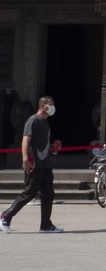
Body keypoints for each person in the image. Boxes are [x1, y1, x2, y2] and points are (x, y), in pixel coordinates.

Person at [1, 96, 63, 234]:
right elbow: (25, 141)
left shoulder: (45, 122)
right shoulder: (33, 120)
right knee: (29, 193)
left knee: (48, 194)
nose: (53, 107)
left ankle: (46, 225)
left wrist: (53, 148)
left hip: (45, 164)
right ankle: (6, 216)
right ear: (43, 106)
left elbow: (42, 144)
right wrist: (25, 159)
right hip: (35, 164)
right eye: (50, 104)